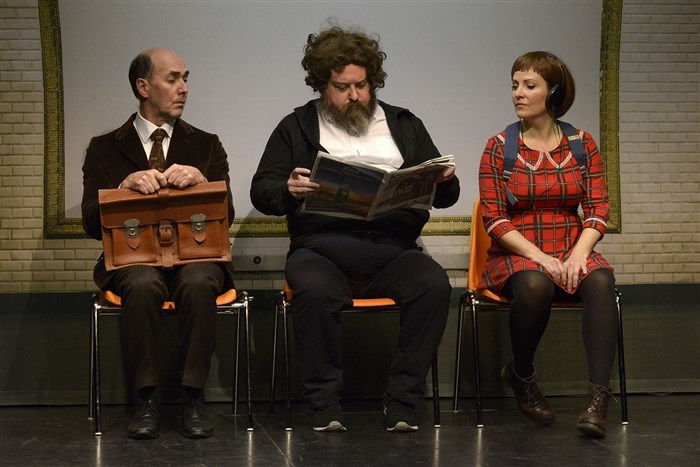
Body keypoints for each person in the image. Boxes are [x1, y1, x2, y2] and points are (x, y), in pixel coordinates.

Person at [250, 24, 460, 432]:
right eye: (342, 87)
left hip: (394, 250)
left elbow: (446, 195)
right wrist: (288, 189)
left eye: (361, 85)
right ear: (321, 85)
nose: (354, 96)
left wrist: (445, 179)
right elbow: (262, 191)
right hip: (322, 250)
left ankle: (402, 400)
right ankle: (324, 404)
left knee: (434, 285)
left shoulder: (404, 123)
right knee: (313, 290)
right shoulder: (296, 126)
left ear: (372, 82)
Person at [81, 48, 234, 440]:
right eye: (172, 79)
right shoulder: (104, 147)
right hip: (134, 260)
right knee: (143, 283)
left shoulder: (206, 145)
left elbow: (227, 215)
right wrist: (122, 188)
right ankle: (145, 399)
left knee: (199, 281)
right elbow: (90, 223)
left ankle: (193, 397)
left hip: (194, 256)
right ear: (143, 87)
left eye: (186, 78)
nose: (183, 88)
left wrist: (202, 182)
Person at [478, 51, 618, 438]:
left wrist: (578, 254)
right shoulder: (499, 147)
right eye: (515, 85)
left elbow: (598, 208)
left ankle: (598, 399)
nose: (518, 93)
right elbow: (494, 218)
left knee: (601, 280)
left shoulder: (581, 144)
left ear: (553, 93)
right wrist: (540, 257)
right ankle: (522, 375)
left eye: (529, 85)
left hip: (571, 244)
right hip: (518, 249)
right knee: (536, 285)